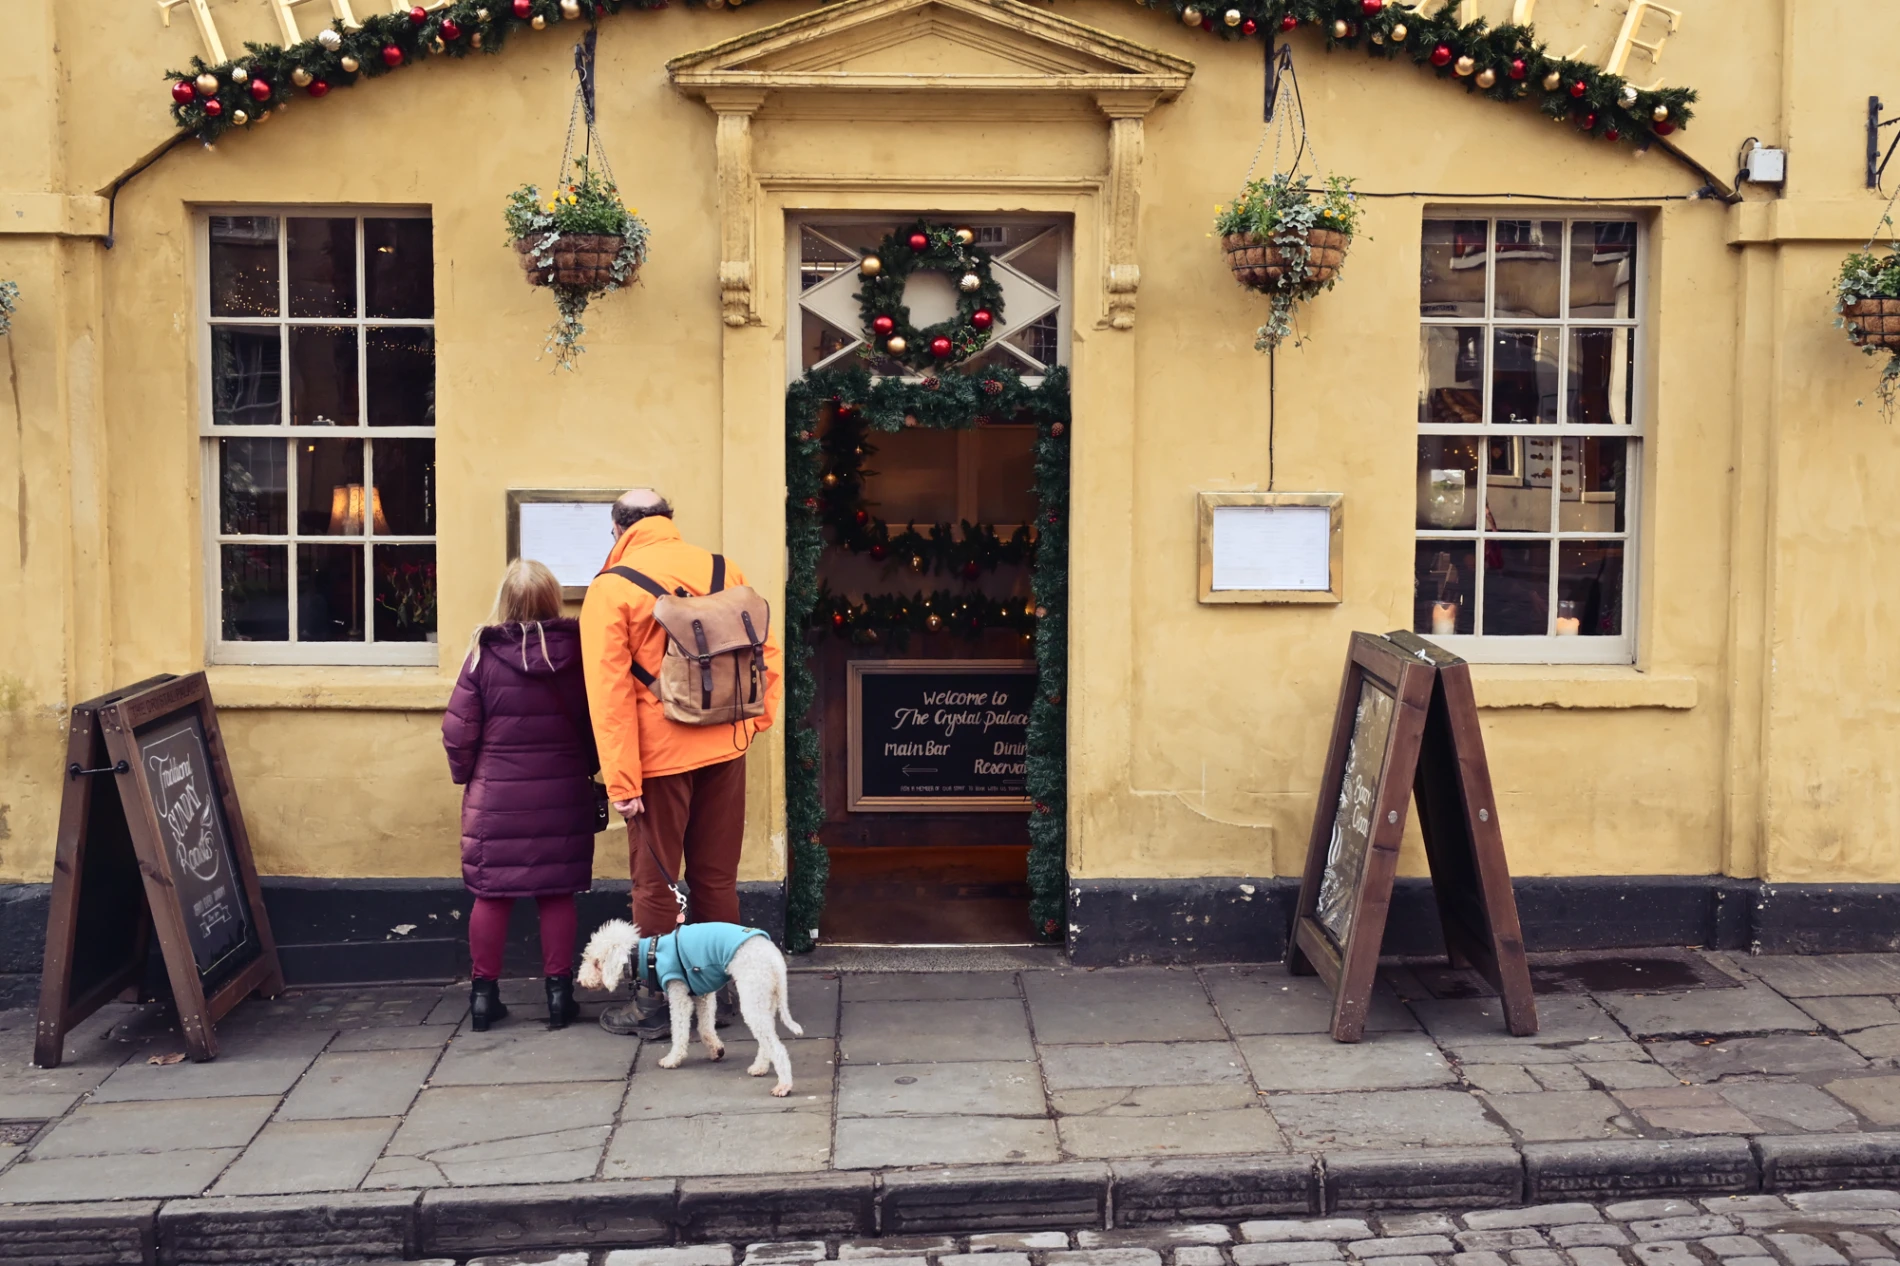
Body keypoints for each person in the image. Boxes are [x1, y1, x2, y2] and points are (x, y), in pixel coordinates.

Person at [580, 489, 782, 1039]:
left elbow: (610, 694)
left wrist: (621, 780)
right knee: (717, 877)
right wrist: (754, 722)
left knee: (656, 883)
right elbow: (765, 650)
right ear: (670, 520)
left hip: (658, 758)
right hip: (726, 746)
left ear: (617, 529)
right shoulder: (723, 567)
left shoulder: (613, 588)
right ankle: (725, 992)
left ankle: (654, 1005)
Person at [443, 559, 600, 1032]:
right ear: (555, 599)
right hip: (563, 792)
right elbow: (597, 722)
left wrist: (466, 776)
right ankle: (558, 996)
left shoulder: (482, 656)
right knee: (557, 893)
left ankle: (484, 999)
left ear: (505, 603)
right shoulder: (580, 654)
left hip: (496, 799)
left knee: (491, 896)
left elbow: (458, 732)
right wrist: (589, 766)